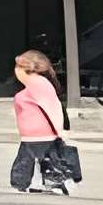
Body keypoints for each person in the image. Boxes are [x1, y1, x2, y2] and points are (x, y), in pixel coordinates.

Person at [9, 49, 77, 194]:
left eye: (17, 68)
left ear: (26, 69)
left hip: (43, 133)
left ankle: (46, 182)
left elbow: (53, 108)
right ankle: (29, 182)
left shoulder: (39, 85)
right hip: (35, 134)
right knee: (33, 159)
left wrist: (60, 130)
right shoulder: (36, 85)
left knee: (32, 159)